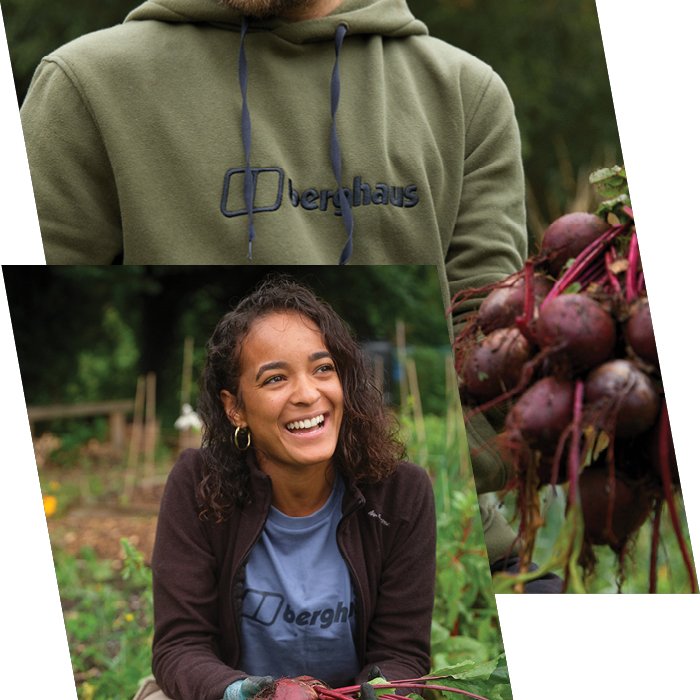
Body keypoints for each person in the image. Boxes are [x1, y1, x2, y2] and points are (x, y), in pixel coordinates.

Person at [20, 0, 543, 585]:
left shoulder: (465, 94)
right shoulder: (86, 85)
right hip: (238, 573)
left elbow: (488, 342)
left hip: (466, 559)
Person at [138, 276, 436, 700]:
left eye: (323, 369)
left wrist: (381, 695)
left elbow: (402, 653)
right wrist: (247, 693)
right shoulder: (197, 484)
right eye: (275, 379)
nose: (307, 394)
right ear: (235, 407)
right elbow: (180, 647)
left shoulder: (401, 492)